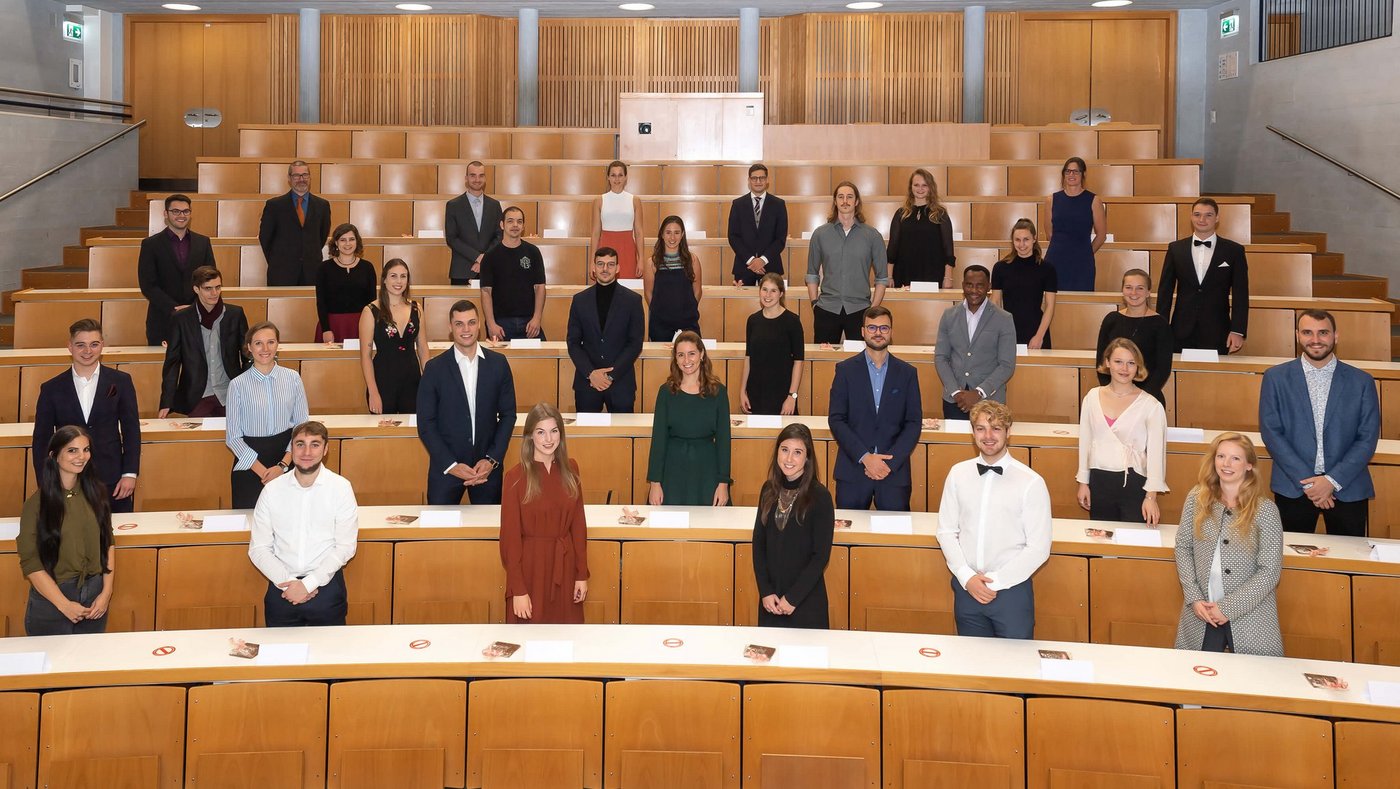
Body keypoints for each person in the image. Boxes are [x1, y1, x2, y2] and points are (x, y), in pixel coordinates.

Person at [1258, 309, 1379, 537]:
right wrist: (1310, 484)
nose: (1315, 339)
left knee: (1348, 557)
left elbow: (1367, 437)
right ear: (1297, 336)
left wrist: (1331, 480)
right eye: (1307, 332)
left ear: (1336, 336)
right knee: (1292, 557)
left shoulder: (1362, 381)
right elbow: (1271, 432)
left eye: (1323, 332)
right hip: (1294, 486)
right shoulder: (1275, 378)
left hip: (1347, 485)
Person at [937, 400, 1052, 640]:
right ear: (973, 433)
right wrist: (967, 577)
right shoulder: (958, 473)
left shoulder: (1031, 482)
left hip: (1011, 591)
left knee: (1016, 661)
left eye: (996, 428)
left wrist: (995, 582)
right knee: (972, 660)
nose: (988, 436)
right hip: (967, 589)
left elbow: (1039, 548)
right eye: (981, 429)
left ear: (1008, 432)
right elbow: (946, 531)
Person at [1174, 432, 1283, 656]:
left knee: (1253, 676)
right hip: (1201, 612)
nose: (1226, 464)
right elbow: (1183, 547)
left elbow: (1270, 571)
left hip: (1250, 615)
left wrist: (1228, 607)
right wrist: (1194, 598)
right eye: (1221, 456)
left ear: (1249, 465)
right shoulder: (1197, 497)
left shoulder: (1266, 510)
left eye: (1235, 458)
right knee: (1194, 673)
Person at [249, 421, 358, 627]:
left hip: (325, 588)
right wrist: (290, 585)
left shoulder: (341, 488)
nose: (307, 452)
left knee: (329, 648)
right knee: (279, 649)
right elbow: (259, 548)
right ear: (292, 448)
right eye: (300, 444)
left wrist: (308, 584)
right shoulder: (272, 490)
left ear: (325, 449)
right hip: (281, 588)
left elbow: (345, 546)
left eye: (315, 444)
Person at [33, 319, 140, 513]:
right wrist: (46, 483)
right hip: (67, 480)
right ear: (70, 346)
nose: (87, 351)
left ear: (102, 345)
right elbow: (41, 440)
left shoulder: (121, 381)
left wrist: (129, 474)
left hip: (113, 479)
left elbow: (131, 431)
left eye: (94, 344)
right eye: (80, 345)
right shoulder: (51, 388)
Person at [16, 426, 115, 636]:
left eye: (86, 450)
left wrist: (106, 593)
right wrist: (64, 605)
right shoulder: (36, 504)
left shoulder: (96, 494)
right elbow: (31, 562)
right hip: (53, 600)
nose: (81, 457)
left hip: (95, 599)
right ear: (54, 455)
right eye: (72, 450)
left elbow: (107, 543)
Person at [417, 300, 517, 505]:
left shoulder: (499, 364)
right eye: (459, 324)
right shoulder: (434, 369)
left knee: (488, 525)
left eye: (471, 322)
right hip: (446, 470)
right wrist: (451, 465)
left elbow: (508, 415)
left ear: (479, 324)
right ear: (450, 327)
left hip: (486, 470)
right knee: (440, 526)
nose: (466, 329)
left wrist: (491, 459)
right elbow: (426, 423)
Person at [499, 402, 590, 624]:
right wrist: (518, 589)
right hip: (531, 569)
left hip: (565, 566)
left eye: (554, 431)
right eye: (541, 432)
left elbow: (578, 526)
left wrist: (581, 574)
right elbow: (510, 539)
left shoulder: (571, 469)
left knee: (567, 637)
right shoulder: (515, 477)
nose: (548, 439)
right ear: (530, 436)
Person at [828, 306, 922, 511]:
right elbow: (836, 419)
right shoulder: (845, 370)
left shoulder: (907, 373)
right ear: (863, 331)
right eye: (872, 328)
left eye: (884, 328)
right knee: (850, 531)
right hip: (853, 469)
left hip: (893, 472)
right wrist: (865, 457)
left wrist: (889, 463)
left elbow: (913, 423)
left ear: (891, 332)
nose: (878, 333)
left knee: (895, 531)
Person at [1076, 338, 1169, 525]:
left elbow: (1156, 454)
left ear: (1137, 367)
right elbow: (1085, 442)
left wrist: (1151, 497)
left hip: (1134, 482)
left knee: (1133, 539)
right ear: (1107, 362)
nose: (1124, 369)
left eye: (1131, 363)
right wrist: (1083, 483)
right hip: (1099, 480)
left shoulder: (1151, 405)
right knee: (1102, 539)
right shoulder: (1091, 397)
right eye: (1118, 361)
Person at [752, 423, 834, 629]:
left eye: (797, 452)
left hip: (805, 600)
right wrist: (765, 591)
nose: (789, 459)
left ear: (807, 457)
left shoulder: (820, 496)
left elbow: (820, 556)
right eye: (784, 450)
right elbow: (758, 544)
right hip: (771, 601)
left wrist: (793, 598)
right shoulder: (768, 490)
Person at [225, 322, 310, 510]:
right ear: (249, 347)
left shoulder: (293, 378)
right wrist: (263, 472)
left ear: (277, 344)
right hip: (250, 464)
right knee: (252, 521)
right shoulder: (237, 385)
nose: (265, 349)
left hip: (286, 459)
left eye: (271, 342)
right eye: (258, 343)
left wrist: (282, 466)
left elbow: (302, 427)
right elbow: (233, 437)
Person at [647, 331, 731, 507]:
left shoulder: (718, 392)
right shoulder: (666, 392)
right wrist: (655, 483)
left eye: (691, 353)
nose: (686, 360)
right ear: (675, 359)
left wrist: (723, 483)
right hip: (672, 471)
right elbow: (658, 439)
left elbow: (724, 440)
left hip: (706, 470)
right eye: (681, 355)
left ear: (701, 354)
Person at [1157, 197, 1249, 354]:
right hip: (1180, 329)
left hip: (1218, 330)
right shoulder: (1175, 249)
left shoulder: (1234, 251)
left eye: (1208, 215)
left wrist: (1237, 330)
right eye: (1197, 214)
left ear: (1217, 218)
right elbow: (1165, 291)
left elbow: (1241, 294)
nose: (1202, 219)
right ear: (1191, 217)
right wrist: (1161, 327)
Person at [159, 266, 250, 418]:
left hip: (231, 393)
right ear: (196, 289)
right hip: (196, 397)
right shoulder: (181, 319)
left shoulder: (235, 314)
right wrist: (166, 401)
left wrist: (248, 389)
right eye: (208, 288)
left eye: (218, 287)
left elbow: (247, 355)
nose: (214, 293)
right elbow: (172, 363)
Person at [806, 181, 889, 344]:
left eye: (850, 197)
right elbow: (812, 274)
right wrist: (815, 303)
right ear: (835, 201)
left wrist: (872, 309)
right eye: (841, 197)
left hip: (860, 310)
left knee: (859, 358)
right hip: (827, 309)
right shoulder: (820, 234)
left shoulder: (872, 235)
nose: (845, 201)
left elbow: (882, 278)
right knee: (824, 359)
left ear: (856, 201)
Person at [566, 247, 645, 413]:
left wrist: (610, 375)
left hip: (621, 382)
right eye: (600, 264)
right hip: (587, 382)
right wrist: (591, 373)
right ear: (593, 267)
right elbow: (573, 342)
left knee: (622, 430)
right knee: (587, 430)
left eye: (610, 264)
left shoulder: (633, 301)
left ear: (618, 268)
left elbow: (635, 343)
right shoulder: (579, 300)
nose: (605, 269)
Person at [934, 265, 1017, 419]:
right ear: (962, 285)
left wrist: (979, 392)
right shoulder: (948, 315)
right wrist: (955, 392)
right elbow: (941, 357)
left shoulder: (1004, 318)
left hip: (990, 400)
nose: (974, 290)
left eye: (980, 286)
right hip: (954, 400)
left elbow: (1007, 365)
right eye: (969, 285)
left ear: (989, 287)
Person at [138, 193, 216, 346]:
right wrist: (175, 308)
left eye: (186, 211)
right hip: (162, 318)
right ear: (165, 214)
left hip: (198, 317)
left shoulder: (203, 242)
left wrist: (194, 307)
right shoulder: (150, 244)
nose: (181, 215)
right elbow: (148, 285)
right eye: (176, 211)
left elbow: (210, 279)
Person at [358, 258, 428, 415]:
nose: (399, 281)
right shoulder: (370, 311)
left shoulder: (417, 308)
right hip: (383, 381)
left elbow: (423, 348)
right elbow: (365, 356)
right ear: (384, 279)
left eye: (403, 276)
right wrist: (373, 392)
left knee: (413, 427)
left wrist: (429, 381)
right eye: (393, 276)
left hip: (412, 381)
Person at [1095, 269, 1174, 406]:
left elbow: (1163, 369)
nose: (1133, 293)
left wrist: (1138, 399)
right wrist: (1113, 393)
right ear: (1122, 290)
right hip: (1114, 397)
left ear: (1148, 292)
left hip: (1147, 398)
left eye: (1140, 288)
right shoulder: (1111, 319)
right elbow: (1101, 362)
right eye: (1129, 287)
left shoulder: (1160, 324)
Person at [258, 160, 331, 286]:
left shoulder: (322, 205)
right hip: (281, 273)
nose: (301, 179)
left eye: (305, 175)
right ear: (289, 178)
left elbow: (322, 236)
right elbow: (265, 238)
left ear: (310, 177)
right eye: (296, 175)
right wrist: (278, 261)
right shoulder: (274, 205)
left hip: (312, 273)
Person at [741, 272, 804, 416]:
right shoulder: (753, 320)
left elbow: (799, 361)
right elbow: (748, 357)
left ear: (781, 293)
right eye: (764, 289)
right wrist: (742, 391)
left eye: (773, 291)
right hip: (756, 392)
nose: (768, 295)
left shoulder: (792, 321)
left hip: (782, 393)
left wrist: (792, 396)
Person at [480, 206, 547, 341]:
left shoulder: (533, 252)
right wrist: (491, 324)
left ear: (523, 226)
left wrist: (537, 318)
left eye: (519, 221)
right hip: (500, 324)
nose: (515, 225)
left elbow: (540, 287)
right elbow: (486, 292)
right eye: (510, 221)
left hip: (529, 323)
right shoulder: (490, 256)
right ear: (502, 225)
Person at [992, 218, 1058, 349]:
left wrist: (1039, 336)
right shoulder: (1000, 268)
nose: (1021, 244)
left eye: (1026, 239)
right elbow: (995, 302)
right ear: (1012, 241)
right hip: (1008, 330)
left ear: (1034, 238)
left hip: (1037, 332)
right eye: (1017, 240)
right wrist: (1000, 332)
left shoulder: (1047, 269)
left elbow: (1050, 306)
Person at [1043, 157, 1107, 293]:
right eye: (1068, 171)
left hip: (1082, 263)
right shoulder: (1051, 200)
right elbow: (1049, 234)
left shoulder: (1094, 200)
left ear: (1083, 174)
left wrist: (1085, 253)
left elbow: (1101, 236)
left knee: (1081, 301)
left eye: (1075, 171)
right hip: (1055, 260)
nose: (1071, 175)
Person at [887, 168, 956, 289]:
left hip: (933, 272)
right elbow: (893, 247)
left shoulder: (940, 214)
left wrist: (948, 277)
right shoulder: (900, 214)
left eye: (925, 185)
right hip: (904, 272)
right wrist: (888, 276)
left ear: (931, 187)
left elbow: (948, 249)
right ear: (911, 187)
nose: (920, 189)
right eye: (916, 185)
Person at [727, 163, 789, 286]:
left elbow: (780, 238)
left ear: (767, 180)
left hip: (770, 266)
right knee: (742, 299)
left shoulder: (778, 204)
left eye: (762, 178)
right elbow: (733, 236)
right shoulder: (738, 204)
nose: (758, 181)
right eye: (754, 178)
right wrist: (751, 261)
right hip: (744, 266)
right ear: (749, 180)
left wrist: (762, 260)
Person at [644, 215, 703, 343]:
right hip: (660, 325)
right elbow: (648, 293)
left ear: (682, 235)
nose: (672, 237)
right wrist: (660, 313)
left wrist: (687, 311)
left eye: (676, 233)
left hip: (688, 323)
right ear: (662, 234)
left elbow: (697, 291)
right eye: (668, 232)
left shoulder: (692, 260)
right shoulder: (652, 262)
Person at [314, 223, 375, 343]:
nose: (348, 243)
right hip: (332, 325)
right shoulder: (324, 268)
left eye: (351, 239)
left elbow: (372, 302)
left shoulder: (367, 267)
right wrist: (326, 329)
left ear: (357, 241)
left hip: (361, 324)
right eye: (343, 240)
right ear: (336, 243)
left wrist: (370, 327)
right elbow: (321, 302)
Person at [444, 160, 503, 285]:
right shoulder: (453, 205)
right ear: (466, 178)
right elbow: (452, 238)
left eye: (481, 175)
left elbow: (499, 236)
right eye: (473, 175)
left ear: (485, 178)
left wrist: (484, 258)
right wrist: (477, 257)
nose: (477, 179)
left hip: (490, 269)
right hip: (462, 271)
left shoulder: (495, 205)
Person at [591, 160, 644, 280]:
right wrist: (592, 262)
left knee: (627, 285)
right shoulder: (599, 201)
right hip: (605, 248)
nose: (617, 179)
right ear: (608, 177)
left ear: (625, 177)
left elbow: (639, 233)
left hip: (627, 249)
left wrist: (640, 259)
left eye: (620, 175)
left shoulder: (635, 200)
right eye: (613, 175)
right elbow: (595, 233)